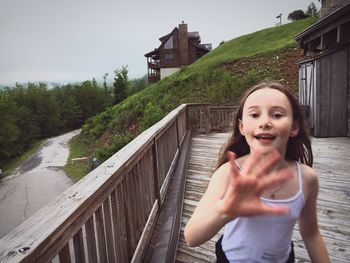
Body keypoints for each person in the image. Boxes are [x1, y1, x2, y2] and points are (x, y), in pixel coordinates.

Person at [184, 81, 330, 262]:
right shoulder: (228, 173)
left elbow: (311, 234)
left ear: (294, 127)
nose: (265, 122)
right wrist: (225, 210)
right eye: (254, 114)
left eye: (277, 115)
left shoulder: (306, 178)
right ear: (242, 127)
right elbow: (191, 237)